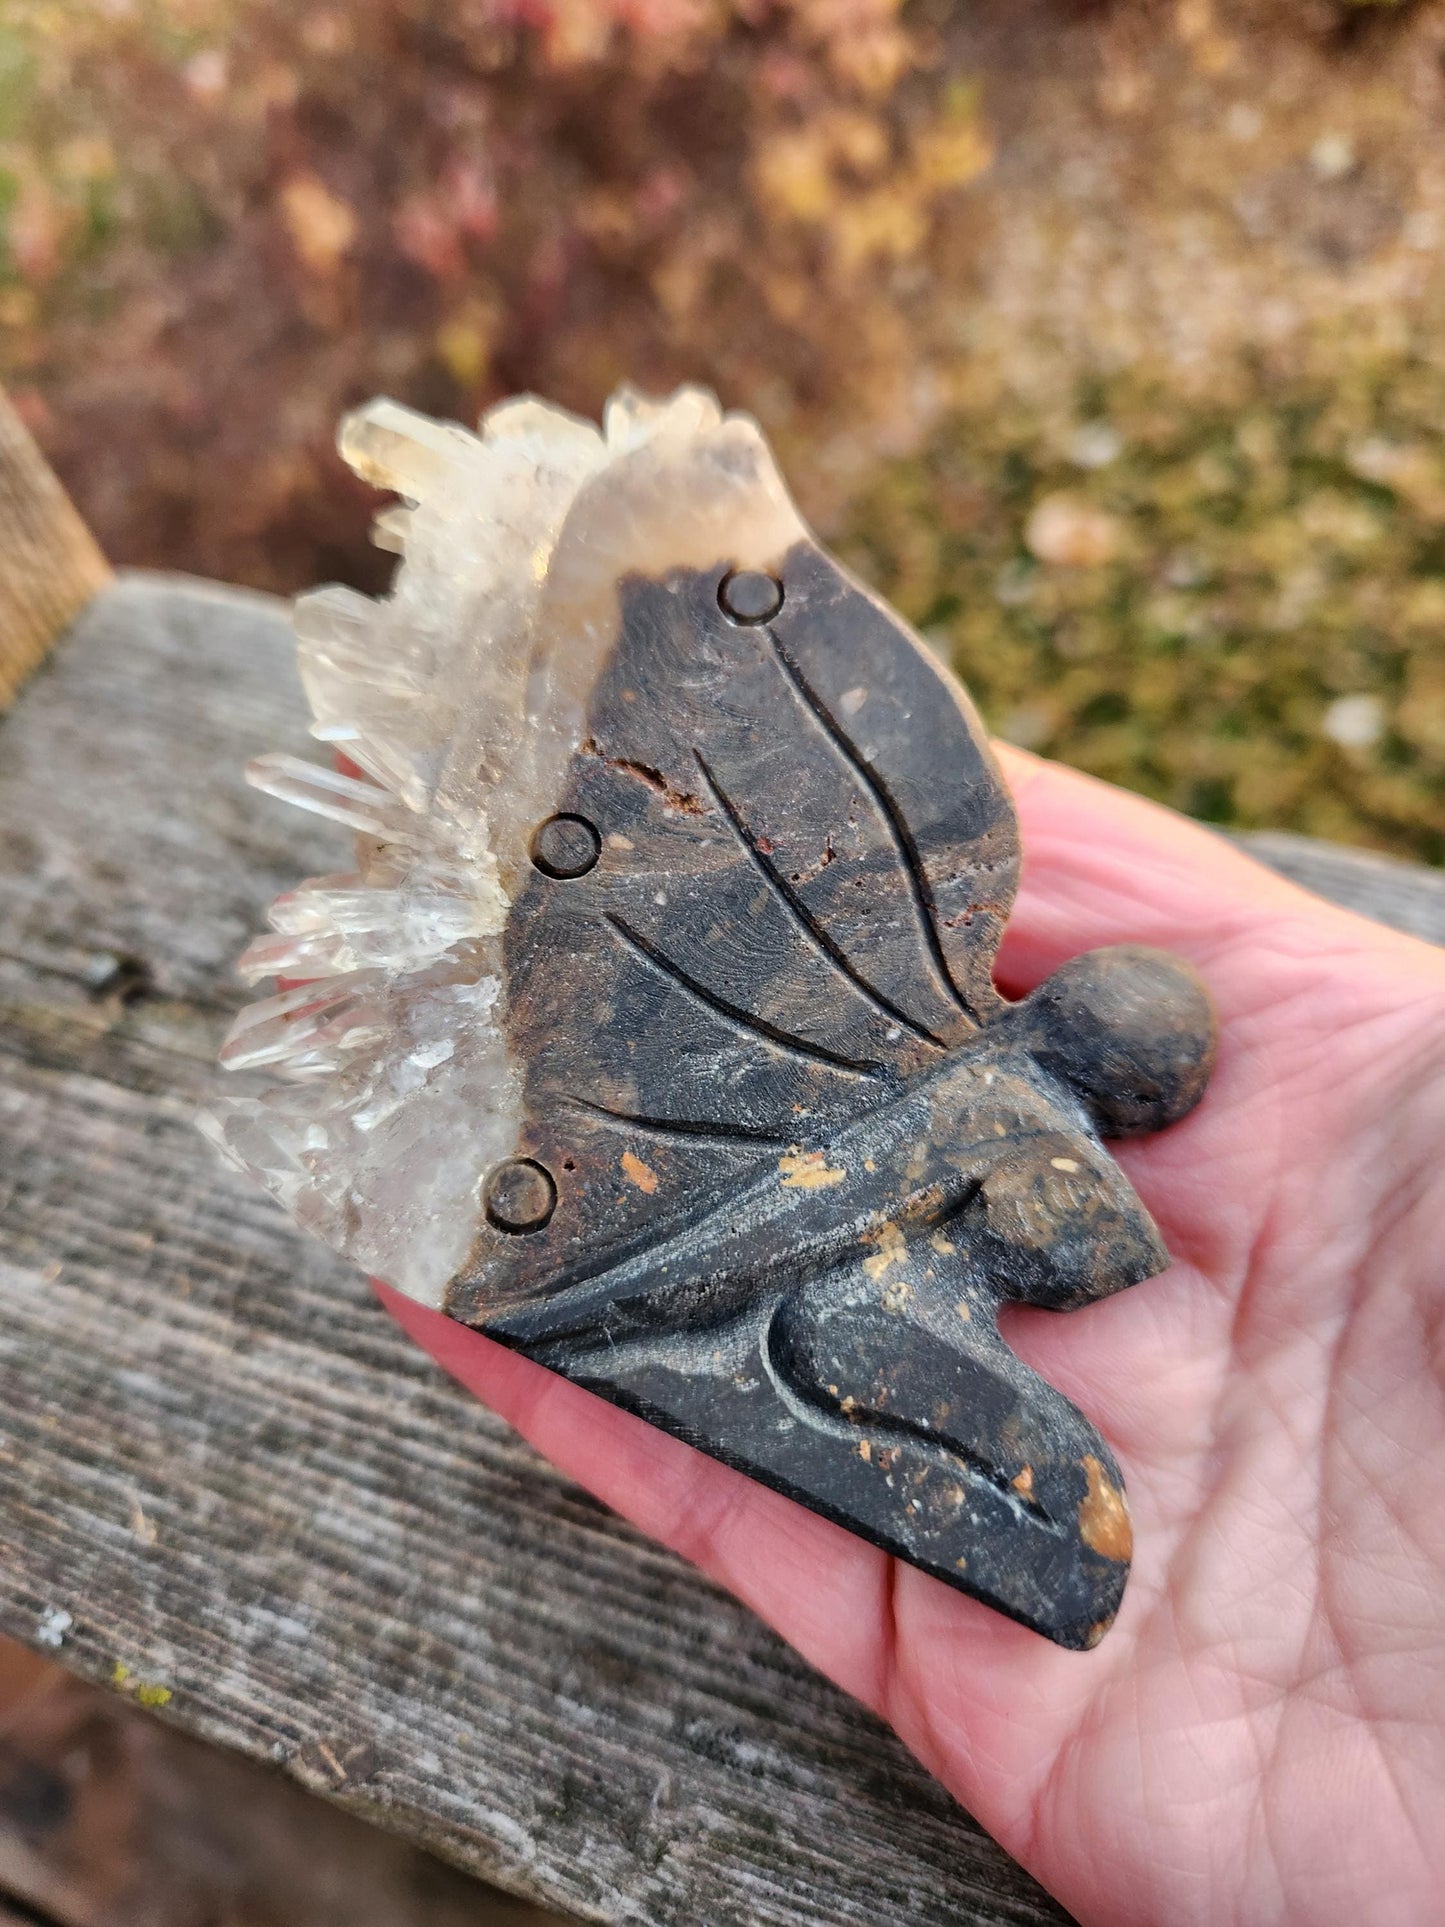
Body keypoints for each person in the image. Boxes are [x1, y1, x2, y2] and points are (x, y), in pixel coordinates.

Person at [382, 744, 1445, 1925]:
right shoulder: (1027, 1131)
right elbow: (1076, 1266)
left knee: (1057, 1525)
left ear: (1053, 1002)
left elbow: (975, 1236)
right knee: (1063, 1528)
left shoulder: (952, 1076)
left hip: (792, 1314)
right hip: (833, 1325)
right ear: (1148, 1094)